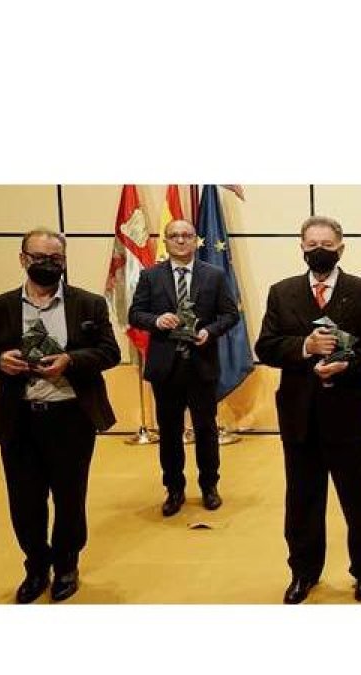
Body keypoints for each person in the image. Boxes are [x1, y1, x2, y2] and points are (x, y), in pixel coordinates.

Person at [0, 228, 120, 603]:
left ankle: (67, 563)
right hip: (19, 420)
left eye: (55, 259)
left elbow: (109, 352)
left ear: (64, 262)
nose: (47, 265)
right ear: (23, 259)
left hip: (71, 417)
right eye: (39, 258)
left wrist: (71, 361)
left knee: (70, 498)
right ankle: (36, 566)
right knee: (24, 500)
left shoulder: (89, 304)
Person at [254, 215, 361, 604]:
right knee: (302, 499)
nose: (319, 250)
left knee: (358, 496)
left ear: (341, 248)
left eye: (327, 244)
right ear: (301, 247)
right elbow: (266, 346)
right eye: (311, 244)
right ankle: (303, 572)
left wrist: (349, 365)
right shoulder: (282, 293)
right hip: (299, 414)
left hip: (348, 411)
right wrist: (304, 348)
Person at [130, 218, 241, 516]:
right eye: (174, 236)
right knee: (169, 432)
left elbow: (231, 315)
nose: (180, 241)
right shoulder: (150, 277)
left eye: (186, 236)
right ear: (165, 241)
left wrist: (210, 332)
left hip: (202, 365)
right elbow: (135, 314)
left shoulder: (214, 276)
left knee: (206, 430)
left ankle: (209, 486)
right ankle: (174, 489)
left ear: (195, 240)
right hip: (166, 367)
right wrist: (155, 320)